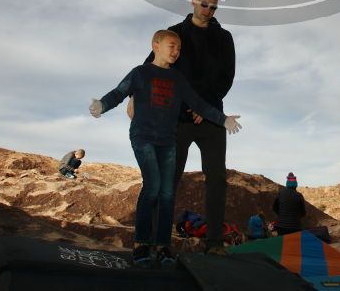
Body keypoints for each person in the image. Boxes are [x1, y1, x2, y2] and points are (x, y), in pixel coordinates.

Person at [89, 30, 242, 267]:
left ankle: (163, 246)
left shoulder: (178, 80)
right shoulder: (140, 73)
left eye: (179, 49)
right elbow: (119, 93)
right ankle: (141, 243)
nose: (176, 52)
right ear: (156, 45)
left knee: (168, 193)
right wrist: (102, 104)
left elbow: (199, 104)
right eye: (172, 46)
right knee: (153, 187)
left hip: (168, 140)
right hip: (144, 137)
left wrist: (222, 119)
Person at [135, 0, 236, 254]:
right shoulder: (175, 34)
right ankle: (156, 242)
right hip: (176, 119)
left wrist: (203, 108)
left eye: (214, 7)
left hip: (212, 119)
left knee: (216, 179)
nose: (209, 11)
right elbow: (152, 66)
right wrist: (135, 96)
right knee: (168, 179)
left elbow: (227, 78)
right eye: (205, 5)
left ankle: (214, 242)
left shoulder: (225, 38)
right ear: (193, 1)